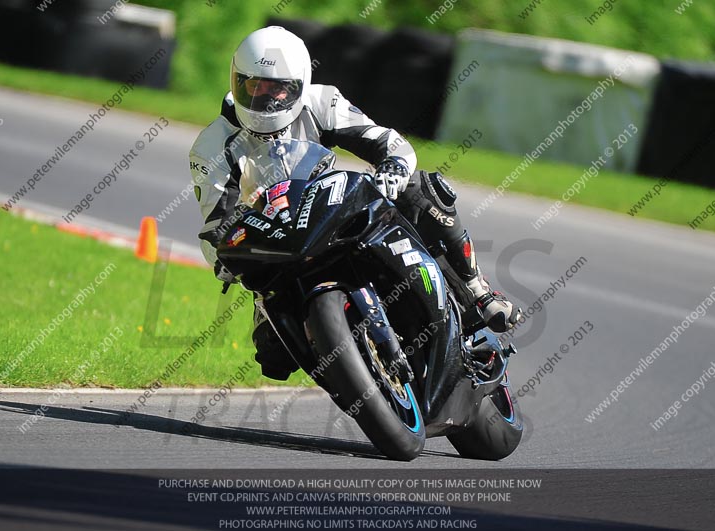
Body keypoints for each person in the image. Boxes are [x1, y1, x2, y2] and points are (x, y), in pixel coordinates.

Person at [189, 26, 520, 380]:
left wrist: (390, 171)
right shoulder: (211, 148)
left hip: (331, 211)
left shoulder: (321, 102)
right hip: (276, 244)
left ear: (299, 84)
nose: (265, 99)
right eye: (254, 86)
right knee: (273, 355)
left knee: (418, 188)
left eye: (278, 88)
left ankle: (477, 290)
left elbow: (388, 143)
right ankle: (356, 376)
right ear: (237, 81)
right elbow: (215, 230)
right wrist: (229, 259)